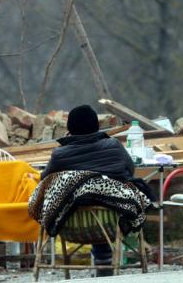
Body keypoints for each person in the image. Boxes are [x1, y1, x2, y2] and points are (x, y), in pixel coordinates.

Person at [40, 104, 135, 276]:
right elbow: (130, 171)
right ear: (97, 126)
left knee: (88, 200)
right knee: (104, 201)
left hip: (70, 226)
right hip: (113, 223)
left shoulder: (60, 155)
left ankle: (102, 262)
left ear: (69, 129)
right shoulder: (114, 146)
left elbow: (44, 181)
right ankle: (104, 262)